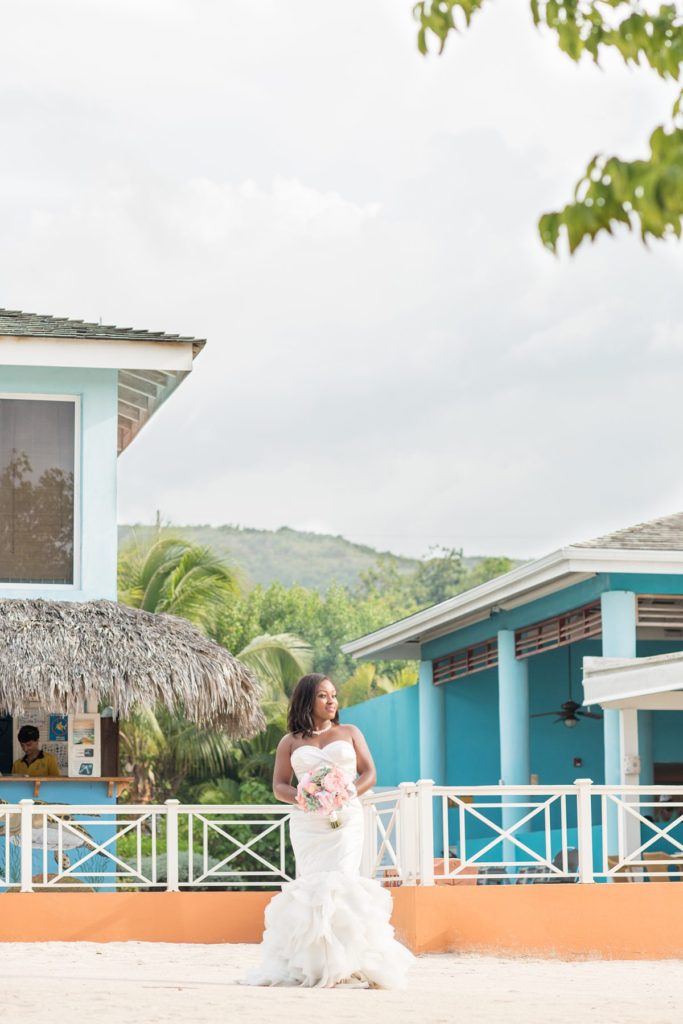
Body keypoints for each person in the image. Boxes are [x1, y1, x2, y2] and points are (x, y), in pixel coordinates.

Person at [244, 673, 414, 989]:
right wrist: (304, 796)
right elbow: (279, 785)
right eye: (323, 695)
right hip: (309, 823)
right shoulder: (290, 741)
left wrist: (344, 794)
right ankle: (315, 963)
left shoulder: (349, 732)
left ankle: (351, 963)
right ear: (307, 700)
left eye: (333, 695)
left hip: (346, 819)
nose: (332, 701)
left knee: (342, 881)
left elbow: (369, 773)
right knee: (312, 887)